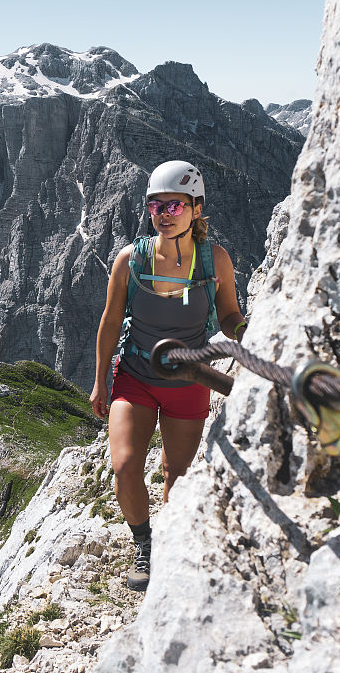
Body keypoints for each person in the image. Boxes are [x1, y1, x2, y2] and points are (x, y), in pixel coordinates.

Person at [89, 160, 246, 591]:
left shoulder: (215, 261)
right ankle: (144, 544)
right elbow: (109, 321)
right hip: (135, 375)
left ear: (196, 209)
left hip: (188, 379)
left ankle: (174, 543)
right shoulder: (130, 260)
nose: (162, 213)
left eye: (173, 205)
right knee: (123, 467)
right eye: (155, 204)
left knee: (177, 473)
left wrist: (247, 335)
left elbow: (229, 313)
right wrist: (100, 381)